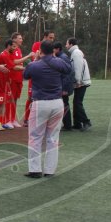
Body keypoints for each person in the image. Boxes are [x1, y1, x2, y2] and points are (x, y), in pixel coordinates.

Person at [22, 41, 70, 178]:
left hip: (41, 103)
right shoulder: (58, 62)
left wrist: (37, 59)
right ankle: (50, 170)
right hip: (57, 103)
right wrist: (54, 58)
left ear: (40, 50)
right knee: (53, 138)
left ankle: (35, 170)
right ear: (53, 51)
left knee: (35, 137)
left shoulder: (34, 65)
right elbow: (68, 69)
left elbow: (25, 75)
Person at [24, 31, 53, 125]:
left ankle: (41, 119)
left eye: (53, 38)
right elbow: (35, 59)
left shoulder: (50, 47)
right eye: (50, 37)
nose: (52, 40)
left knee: (44, 97)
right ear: (45, 37)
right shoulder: (36, 45)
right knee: (30, 97)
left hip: (46, 76)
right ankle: (26, 119)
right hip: (35, 75)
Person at [6, 32, 31, 128]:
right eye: (20, 38)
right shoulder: (12, 50)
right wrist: (26, 68)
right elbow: (14, 65)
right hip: (12, 78)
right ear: (14, 39)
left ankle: (13, 119)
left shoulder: (19, 50)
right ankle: (8, 120)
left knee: (15, 99)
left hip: (18, 78)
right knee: (10, 99)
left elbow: (18, 64)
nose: (21, 40)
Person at [67, 38, 92, 131]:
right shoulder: (76, 52)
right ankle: (77, 124)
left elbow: (78, 68)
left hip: (81, 82)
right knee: (76, 102)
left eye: (67, 44)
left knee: (78, 102)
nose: (66, 46)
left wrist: (78, 82)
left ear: (71, 44)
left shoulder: (76, 53)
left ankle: (86, 122)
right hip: (81, 81)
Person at [53, 41, 74, 131]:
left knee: (64, 104)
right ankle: (66, 124)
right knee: (63, 105)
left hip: (63, 86)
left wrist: (65, 88)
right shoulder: (60, 56)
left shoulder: (63, 58)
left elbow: (67, 74)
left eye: (53, 49)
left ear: (57, 49)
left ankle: (67, 125)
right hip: (61, 85)